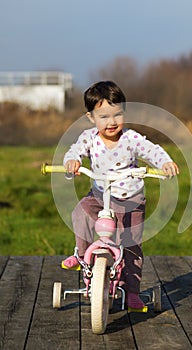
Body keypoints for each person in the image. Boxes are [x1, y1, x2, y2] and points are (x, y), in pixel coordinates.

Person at [62, 81, 179, 308]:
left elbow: (151, 150)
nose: (112, 122)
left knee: (131, 245)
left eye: (117, 115)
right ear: (91, 118)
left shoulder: (130, 138)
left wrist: (164, 162)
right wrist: (72, 162)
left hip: (131, 200)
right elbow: (74, 150)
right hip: (99, 196)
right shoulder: (89, 138)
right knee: (80, 213)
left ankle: (132, 290)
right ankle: (82, 256)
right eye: (104, 116)